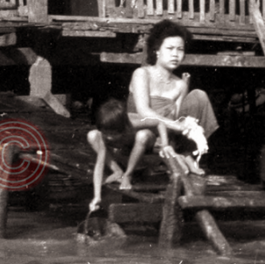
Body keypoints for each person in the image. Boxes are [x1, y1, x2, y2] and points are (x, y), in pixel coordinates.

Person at [86, 19, 220, 210]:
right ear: (157, 50)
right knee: (139, 133)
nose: (176, 54)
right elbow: (144, 111)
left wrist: (186, 128)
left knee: (199, 96)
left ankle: (188, 154)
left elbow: (176, 116)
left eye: (180, 49)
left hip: (162, 137)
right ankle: (126, 171)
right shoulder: (142, 74)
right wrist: (178, 126)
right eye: (170, 48)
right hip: (135, 133)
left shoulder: (179, 84)